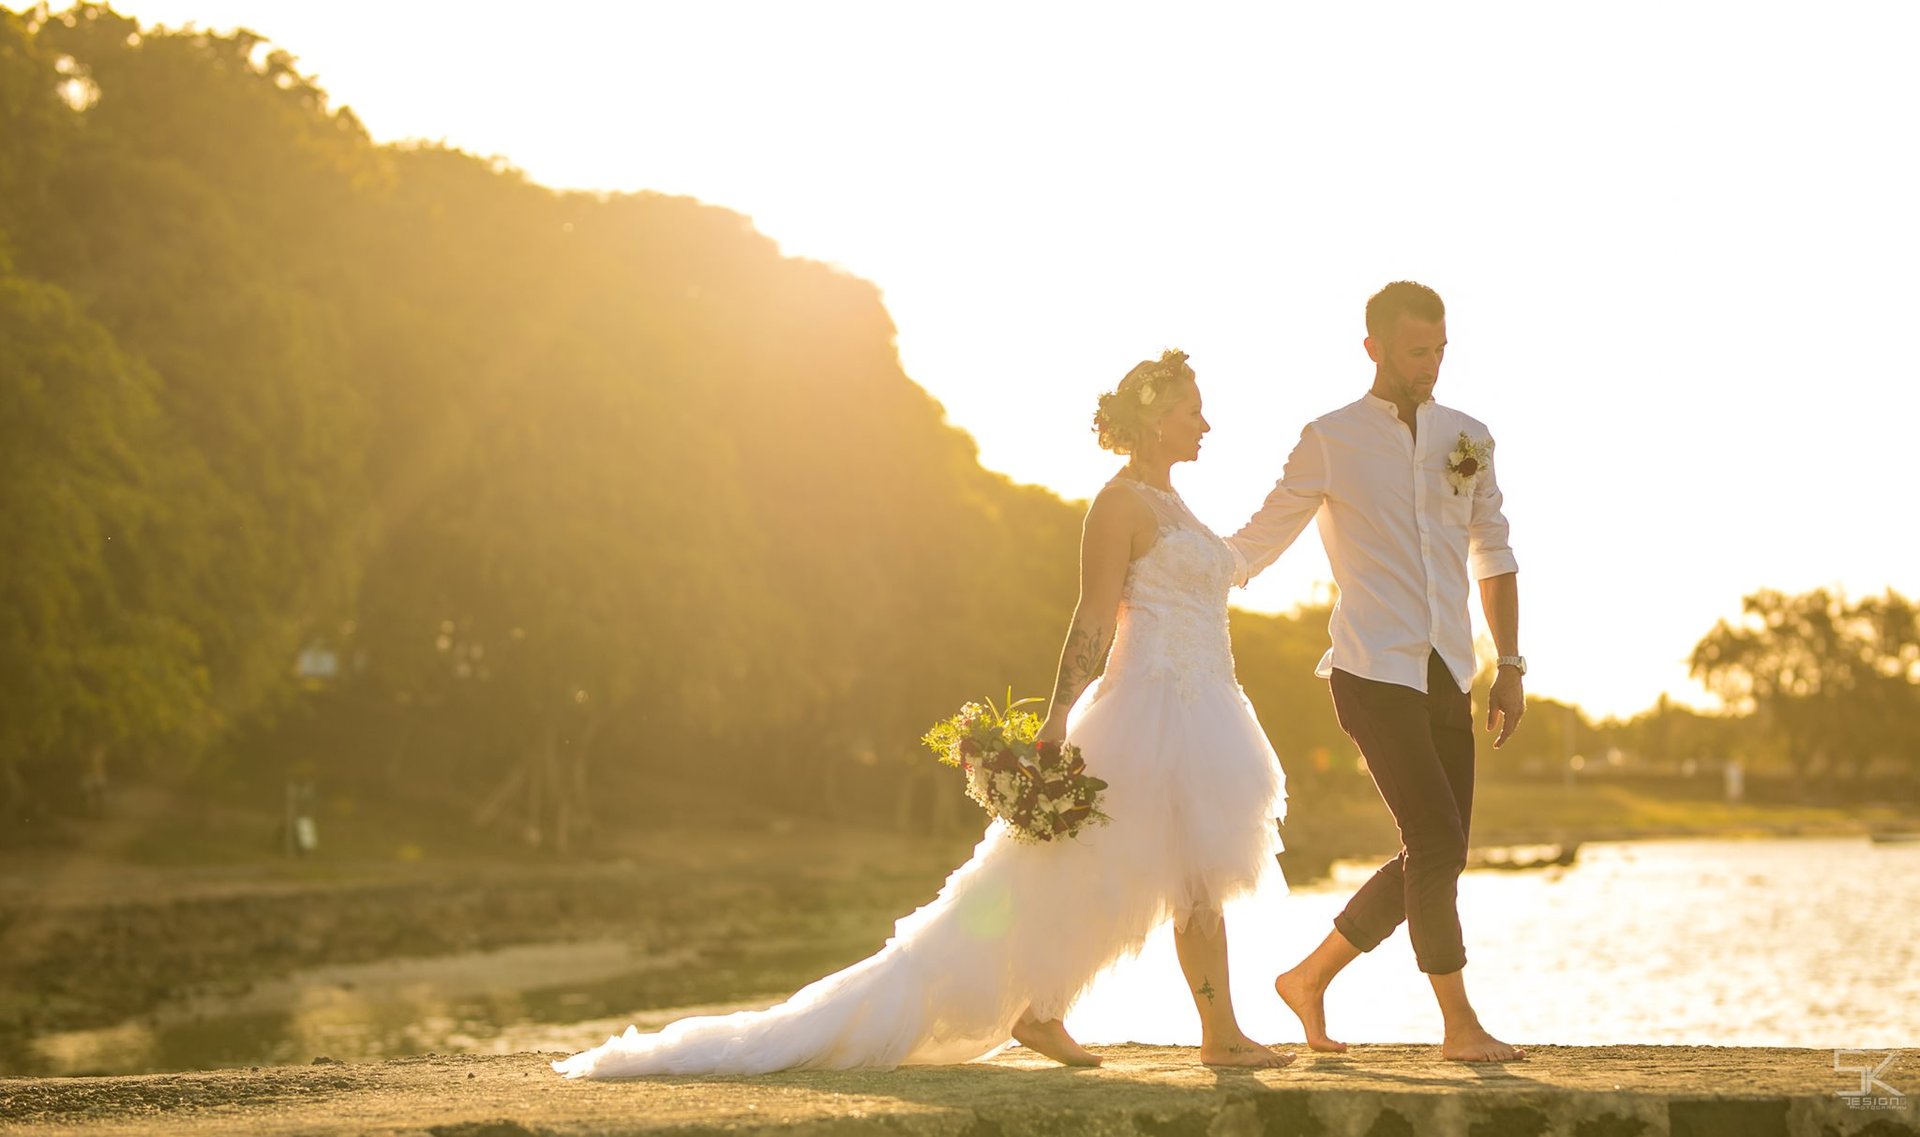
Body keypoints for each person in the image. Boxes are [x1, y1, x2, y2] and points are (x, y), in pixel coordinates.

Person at [552, 351, 1291, 1077]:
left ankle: (1208, 1029)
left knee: (1194, 874)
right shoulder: (1118, 502)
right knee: (1078, 870)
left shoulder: (1174, 505)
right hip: (1146, 711)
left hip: (1204, 709)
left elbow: (1226, 569)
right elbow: (1092, 615)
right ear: (1157, 418)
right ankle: (1050, 1009)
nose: (1206, 423)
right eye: (1193, 409)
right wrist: (1059, 712)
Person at [1227, 282, 1530, 1063]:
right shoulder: (1330, 438)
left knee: (1440, 850)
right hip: (1369, 667)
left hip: (1449, 670)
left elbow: (1493, 552)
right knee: (1433, 840)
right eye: (1415, 351)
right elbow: (1260, 538)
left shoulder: (1470, 437)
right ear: (1375, 348)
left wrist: (1510, 665)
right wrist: (1181, 567)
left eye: (1439, 349)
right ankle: (1460, 1026)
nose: (1430, 365)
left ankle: (1307, 976)